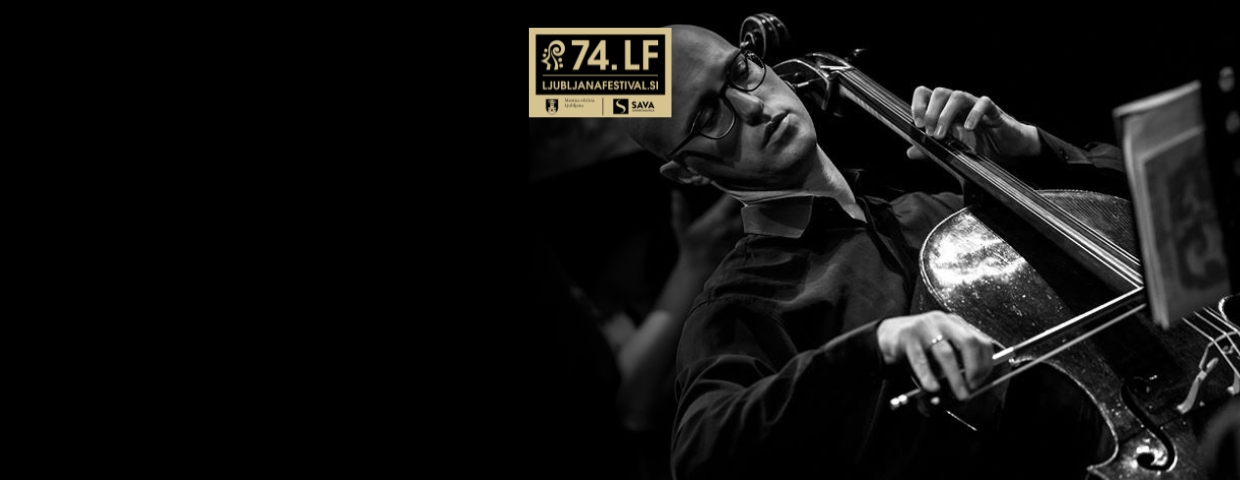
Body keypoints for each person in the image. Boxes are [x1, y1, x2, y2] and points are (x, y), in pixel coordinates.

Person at [618, 25, 1126, 479]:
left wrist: (1031, 149)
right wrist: (873, 347)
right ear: (687, 173)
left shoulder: (940, 213)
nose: (751, 107)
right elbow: (701, 451)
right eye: (709, 114)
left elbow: (1137, 212)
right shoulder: (742, 304)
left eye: (739, 71)